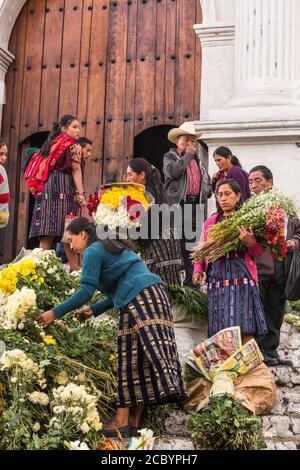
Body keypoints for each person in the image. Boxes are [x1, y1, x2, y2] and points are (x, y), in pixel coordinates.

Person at [37, 217, 187, 437]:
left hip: (139, 299)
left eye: (71, 240)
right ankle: (132, 422)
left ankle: (121, 420)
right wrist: (94, 310)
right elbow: (126, 281)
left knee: (127, 358)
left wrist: (55, 312)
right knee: (139, 358)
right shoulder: (112, 246)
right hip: (154, 294)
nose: (70, 246)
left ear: (83, 235)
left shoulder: (92, 251)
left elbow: (86, 290)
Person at [193, 179, 268, 344]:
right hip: (217, 277)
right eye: (220, 195)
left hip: (242, 276)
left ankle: (248, 364)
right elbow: (201, 250)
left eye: (228, 194)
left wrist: (250, 242)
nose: (223, 198)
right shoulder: (211, 223)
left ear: (238, 196)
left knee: (244, 323)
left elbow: (258, 252)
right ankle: (225, 365)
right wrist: (198, 269)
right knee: (220, 325)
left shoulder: (248, 220)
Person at [249, 165, 300, 366]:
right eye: (251, 181)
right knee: (258, 308)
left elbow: (298, 231)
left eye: (257, 180)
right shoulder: (249, 207)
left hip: (282, 264)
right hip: (260, 265)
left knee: (276, 308)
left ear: (269, 182)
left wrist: (294, 243)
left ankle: (271, 351)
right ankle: (258, 352)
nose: (253, 185)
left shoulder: (285, 206)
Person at [29, 115, 85, 271]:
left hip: (47, 190)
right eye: (74, 127)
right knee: (69, 231)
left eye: (78, 127)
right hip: (64, 189)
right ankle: (74, 268)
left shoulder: (50, 144)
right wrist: (81, 193)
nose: (78, 130)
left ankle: (37, 270)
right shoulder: (73, 145)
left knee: (48, 233)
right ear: (64, 129)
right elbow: (76, 168)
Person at [163, 122, 212, 287]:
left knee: (193, 247)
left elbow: (206, 183)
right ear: (177, 142)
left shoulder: (198, 161)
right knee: (177, 246)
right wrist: (187, 156)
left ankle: (193, 285)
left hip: (195, 208)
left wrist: (208, 189)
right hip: (179, 207)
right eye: (186, 140)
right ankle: (176, 284)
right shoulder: (170, 157)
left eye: (193, 141)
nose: (190, 144)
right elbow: (174, 172)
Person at [126, 158, 183, 284]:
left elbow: (146, 225)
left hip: (159, 245)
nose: (127, 179)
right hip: (167, 242)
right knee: (170, 285)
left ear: (141, 175)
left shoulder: (145, 195)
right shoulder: (154, 191)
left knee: (158, 285)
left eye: (130, 174)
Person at [0, 140, 10, 229]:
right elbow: (4, 198)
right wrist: (2, 220)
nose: (4, 158)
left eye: (5, 154)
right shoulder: (0, 170)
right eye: (1, 154)